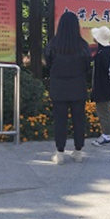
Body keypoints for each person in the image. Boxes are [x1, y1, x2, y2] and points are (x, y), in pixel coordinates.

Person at [44, 11, 91, 165]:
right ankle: (78, 152)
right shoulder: (83, 45)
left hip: (59, 89)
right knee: (79, 121)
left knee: (60, 121)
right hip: (78, 88)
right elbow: (87, 66)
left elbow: (48, 64)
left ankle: (59, 153)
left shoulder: (53, 45)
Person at [90, 26, 110, 147]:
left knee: (103, 112)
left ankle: (106, 135)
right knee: (105, 111)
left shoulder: (101, 54)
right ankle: (107, 133)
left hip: (102, 88)